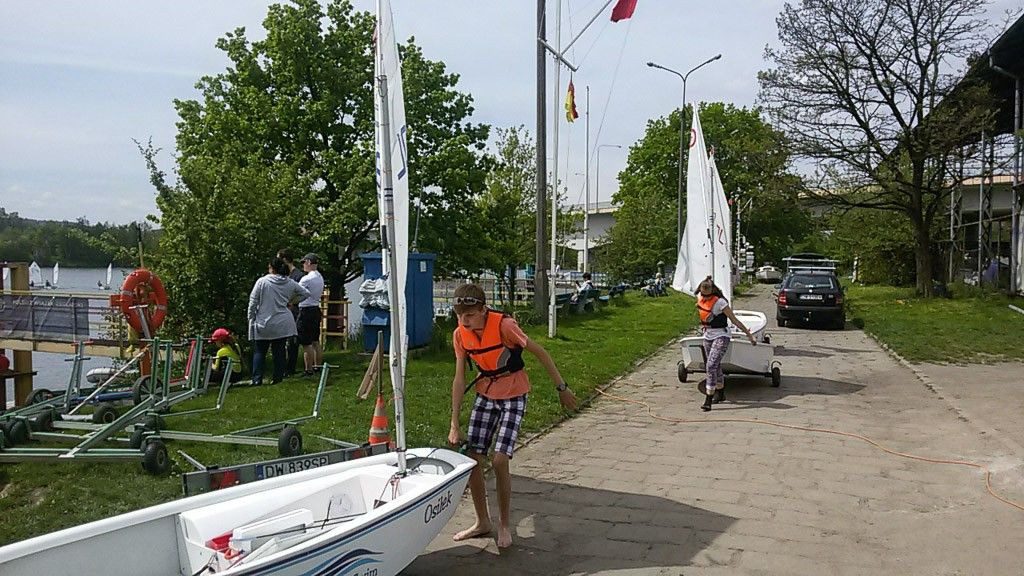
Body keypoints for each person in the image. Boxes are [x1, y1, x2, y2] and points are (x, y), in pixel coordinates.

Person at [447, 283, 577, 549]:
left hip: (514, 393)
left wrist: (562, 388)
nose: (464, 320)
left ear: (483, 310)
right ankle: (482, 522)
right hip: (486, 393)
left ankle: (504, 524)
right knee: (473, 460)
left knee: (499, 460)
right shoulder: (460, 335)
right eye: (459, 315)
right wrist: (454, 423)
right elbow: (459, 379)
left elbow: (540, 352)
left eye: (470, 315)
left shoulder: (505, 326)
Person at [696, 276, 756, 411]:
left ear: (713, 291)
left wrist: (749, 335)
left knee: (711, 365)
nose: (704, 297)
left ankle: (708, 399)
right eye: (702, 294)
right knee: (715, 366)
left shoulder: (720, 303)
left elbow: (734, 320)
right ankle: (721, 393)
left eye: (707, 295)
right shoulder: (700, 298)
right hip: (708, 335)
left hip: (721, 335)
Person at [248, 257, 309, 386]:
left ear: (272, 268)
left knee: (260, 351)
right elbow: (305, 293)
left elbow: (253, 301)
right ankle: (278, 378)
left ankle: (257, 379)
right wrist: (292, 302)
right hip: (282, 321)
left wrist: (250, 318)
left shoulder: (262, 282)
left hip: (263, 321)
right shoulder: (289, 282)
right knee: (279, 352)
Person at [276, 249, 306, 377]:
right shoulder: (284, 275)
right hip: (283, 311)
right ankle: (283, 367)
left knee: (293, 341)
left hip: (294, 311)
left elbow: (301, 292)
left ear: (285, 259)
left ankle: (290, 368)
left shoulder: (297, 275)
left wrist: (291, 302)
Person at [297, 253, 325, 377]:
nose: (303, 265)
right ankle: (318, 366)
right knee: (315, 341)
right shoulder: (320, 277)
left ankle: (308, 369)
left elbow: (297, 292)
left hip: (306, 310)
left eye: (304, 262)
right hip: (315, 309)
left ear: (308, 262)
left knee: (306, 342)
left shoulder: (306, 279)